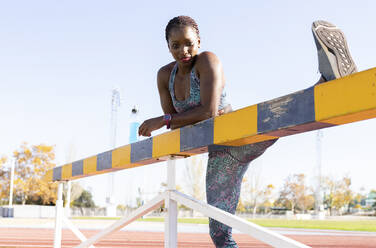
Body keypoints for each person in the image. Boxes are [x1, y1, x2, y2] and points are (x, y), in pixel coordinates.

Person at [138, 16, 357, 247]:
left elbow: (207, 112)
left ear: (199, 42)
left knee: (276, 116)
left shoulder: (207, 61)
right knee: (219, 234)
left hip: (239, 135)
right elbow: (179, 123)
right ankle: (325, 82)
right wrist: (171, 120)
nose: (183, 50)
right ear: (168, 47)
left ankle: (328, 81)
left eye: (189, 43)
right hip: (221, 156)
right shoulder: (164, 75)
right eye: (176, 45)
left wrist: (164, 119)